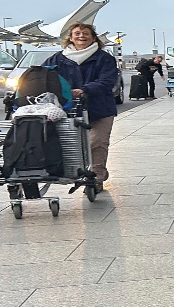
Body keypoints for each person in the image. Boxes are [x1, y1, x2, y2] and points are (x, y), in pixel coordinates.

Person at [43, 22, 118, 189]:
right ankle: (76, 171)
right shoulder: (58, 58)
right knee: (71, 143)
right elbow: (44, 75)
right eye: (77, 33)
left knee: (97, 143)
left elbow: (107, 81)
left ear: (93, 38)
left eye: (85, 33)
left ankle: (97, 177)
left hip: (100, 108)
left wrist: (83, 90)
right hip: (68, 108)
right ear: (70, 38)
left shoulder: (104, 58)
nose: (81, 36)